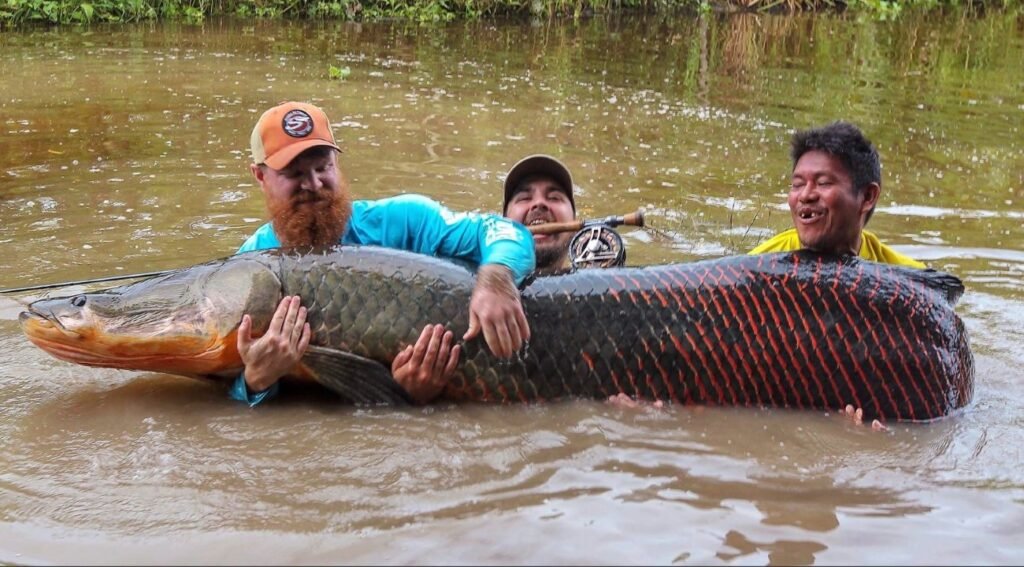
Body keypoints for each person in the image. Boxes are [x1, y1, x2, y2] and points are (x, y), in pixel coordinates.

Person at [229, 101, 535, 407]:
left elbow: (502, 230)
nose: (313, 184)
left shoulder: (405, 221)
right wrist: (256, 382)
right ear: (260, 175)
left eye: (323, 167)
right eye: (294, 173)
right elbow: (217, 400)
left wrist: (497, 277)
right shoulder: (249, 266)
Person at [391, 154, 582, 403]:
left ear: (575, 222)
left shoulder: (605, 278)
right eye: (524, 198)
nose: (539, 205)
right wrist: (403, 396)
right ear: (502, 224)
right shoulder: (456, 281)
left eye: (554, 197)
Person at [748, 121, 926, 269]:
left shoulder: (912, 280)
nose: (805, 195)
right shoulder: (756, 268)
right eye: (798, 184)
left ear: (867, 197)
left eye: (823, 183)